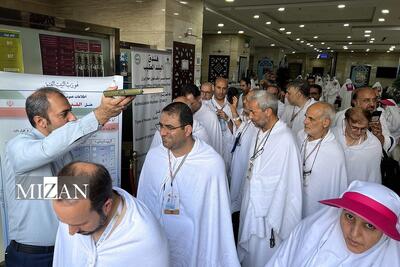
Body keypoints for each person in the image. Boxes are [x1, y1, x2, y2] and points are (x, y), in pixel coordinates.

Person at [1, 86, 133, 267]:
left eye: (71, 111)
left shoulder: (63, 153)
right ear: (41, 121)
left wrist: (107, 113)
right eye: (64, 114)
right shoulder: (17, 147)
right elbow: (46, 151)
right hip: (33, 257)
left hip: (69, 247)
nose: (72, 118)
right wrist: (100, 114)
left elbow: (64, 192)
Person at [137, 102, 240, 266]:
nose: (162, 133)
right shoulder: (154, 157)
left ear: (187, 130)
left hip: (193, 244)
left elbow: (215, 218)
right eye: (161, 126)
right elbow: (144, 202)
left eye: (169, 127)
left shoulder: (211, 164)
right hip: (159, 240)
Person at [52, 161, 169, 267]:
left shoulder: (146, 238)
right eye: (63, 221)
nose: (70, 232)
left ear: (106, 206)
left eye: (81, 223)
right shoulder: (71, 216)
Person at [265, 180, 400, 267]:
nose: (354, 233)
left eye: (370, 226)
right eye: (349, 216)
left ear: (385, 234)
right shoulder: (309, 231)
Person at [238, 90, 302, 267]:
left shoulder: (285, 140)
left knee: (264, 256)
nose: (250, 117)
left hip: (270, 213)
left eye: (253, 112)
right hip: (252, 205)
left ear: (268, 112)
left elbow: (289, 185)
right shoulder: (260, 131)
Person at [297, 102, 348, 217]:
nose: (305, 121)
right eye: (305, 116)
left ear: (325, 122)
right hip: (296, 197)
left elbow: (336, 188)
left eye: (311, 119)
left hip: (317, 207)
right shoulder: (300, 136)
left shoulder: (334, 152)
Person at [334, 87, 395, 153]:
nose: (372, 104)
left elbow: (390, 143)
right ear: (355, 102)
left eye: (374, 100)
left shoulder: (378, 116)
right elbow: (342, 146)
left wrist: (379, 136)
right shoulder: (344, 117)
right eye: (366, 100)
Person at [333, 107, 382, 184]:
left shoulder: (374, 145)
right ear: (345, 122)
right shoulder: (332, 136)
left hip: (357, 191)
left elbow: (373, 177)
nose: (359, 132)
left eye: (363, 128)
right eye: (354, 127)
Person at [179, 84, 224, 155]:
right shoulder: (182, 113)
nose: (188, 108)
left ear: (199, 98)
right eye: (185, 105)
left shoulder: (210, 117)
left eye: (191, 104)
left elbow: (215, 145)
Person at [208, 77, 235, 169]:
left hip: (227, 148)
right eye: (218, 88)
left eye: (224, 88)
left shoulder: (231, 107)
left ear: (227, 89)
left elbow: (235, 131)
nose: (221, 91)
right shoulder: (206, 106)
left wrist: (228, 119)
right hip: (212, 146)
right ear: (213, 87)